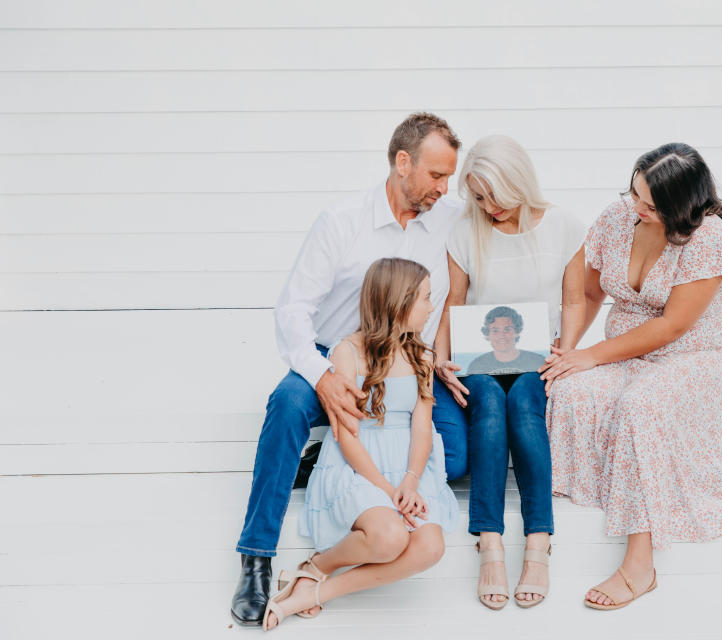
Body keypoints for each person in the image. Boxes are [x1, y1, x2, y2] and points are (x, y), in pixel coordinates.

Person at [540, 142, 722, 610]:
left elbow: (671, 325)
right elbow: (590, 290)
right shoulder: (618, 217)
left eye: (651, 204)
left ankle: (640, 564)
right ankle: (612, 483)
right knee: (567, 389)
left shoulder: (709, 238)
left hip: (695, 358)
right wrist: (569, 351)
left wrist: (595, 354)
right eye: (634, 193)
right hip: (624, 354)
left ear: (683, 207)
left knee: (642, 407)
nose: (637, 209)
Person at [231, 113, 469, 626]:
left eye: (450, 176)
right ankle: (256, 555)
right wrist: (321, 376)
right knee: (287, 405)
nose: (444, 187)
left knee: (458, 452)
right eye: (435, 175)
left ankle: (324, 457)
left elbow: (473, 266)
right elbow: (291, 310)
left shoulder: (448, 216)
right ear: (402, 162)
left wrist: (449, 355)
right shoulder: (342, 222)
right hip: (337, 356)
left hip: (407, 367)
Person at [262, 258, 460, 630]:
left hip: (410, 466)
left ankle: (316, 589)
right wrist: (388, 491)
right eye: (424, 299)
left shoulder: (423, 354)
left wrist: (410, 482)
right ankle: (319, 564)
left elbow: (422, 427)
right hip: (359, 462)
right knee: (388, 536)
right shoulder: (347, 352)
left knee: (430, 545)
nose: (431, 308)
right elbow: (347, 434)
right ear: (398, 302)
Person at [434, 135, 586, 609]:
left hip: (536, 353)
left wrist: (567, 350)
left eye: (493, 195)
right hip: (479, 356)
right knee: (490, 410)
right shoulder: (466, 230)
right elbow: (453, 302)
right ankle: (491, 541)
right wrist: (440, 358)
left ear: (518, 181)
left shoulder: (564, 226)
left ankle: (538, 540)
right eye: (477, 197)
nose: (487, 206)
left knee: (523, 404)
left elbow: (575, 300)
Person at [465, 306, 546, 375]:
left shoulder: (537, 361)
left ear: (517, 331)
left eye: (507, 329)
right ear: (488, 334)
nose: (501, 336)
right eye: (495, 330)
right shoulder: (477, 366)